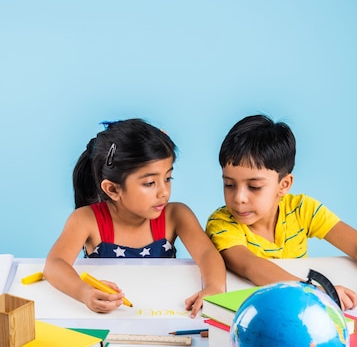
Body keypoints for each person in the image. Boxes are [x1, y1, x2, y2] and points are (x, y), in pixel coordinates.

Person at [206, 114, 357, 310]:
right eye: (229, 184)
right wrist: (313, 291)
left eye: (255, 186)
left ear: (284, 185)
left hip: (298, 310)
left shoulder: (302, 209)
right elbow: (250, 265)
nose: (239, 197)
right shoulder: (221, 223)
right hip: (261, 310)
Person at [44, 118, 226, 315]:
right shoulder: (86, 220)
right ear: (113, 189)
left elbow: (208, 254)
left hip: (160, 312)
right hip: (106, 318)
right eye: (149, 183)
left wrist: (214, 288)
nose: (163, 192)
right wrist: (84, 292)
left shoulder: (176, 215)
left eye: (167, 178)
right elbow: (55, 265)